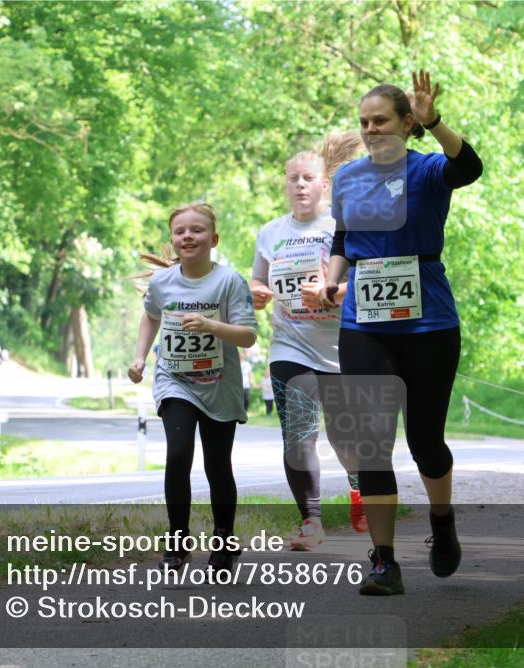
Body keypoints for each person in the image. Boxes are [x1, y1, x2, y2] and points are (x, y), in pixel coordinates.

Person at [317, 70, 483, 594]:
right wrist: (333, 277)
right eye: (363, 123)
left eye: (381, 121)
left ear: (406, 122)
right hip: (364, 320)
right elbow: (344, 235)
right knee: (371, 442)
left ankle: (441, 521)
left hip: (429, 320)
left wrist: (436, 123)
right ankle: (384, 561)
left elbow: (469, 166)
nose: (370, 130)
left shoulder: (429, 169)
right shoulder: (346, 178)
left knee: (426, 443)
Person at [251, 132, 368, 551]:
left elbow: (363, 277)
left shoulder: (340, 226)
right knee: (299, 434)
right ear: (286, 184)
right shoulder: (269, 232)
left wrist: (331, 289)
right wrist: (258, 293)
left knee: (343, 438)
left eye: (307, 178)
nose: (299, 185)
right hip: (291, 344)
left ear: (324, 184)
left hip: (340, 345)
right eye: (292, 178)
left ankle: (359, 490)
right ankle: (311, 522)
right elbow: (258, 279)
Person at [128, 202, 257, 573]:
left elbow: (248, 335)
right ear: (173, 239)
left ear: (213, 239)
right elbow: (151, 317)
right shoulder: (162, 282)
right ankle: (178, 542)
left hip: (219, 384)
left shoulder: (229, 281)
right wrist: (139, 358)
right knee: (179, 453)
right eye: (180, 231)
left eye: (197, 230)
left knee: (218, 466)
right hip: (175, 380)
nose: (188, 236)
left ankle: (223, 542)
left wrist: (211, 326)